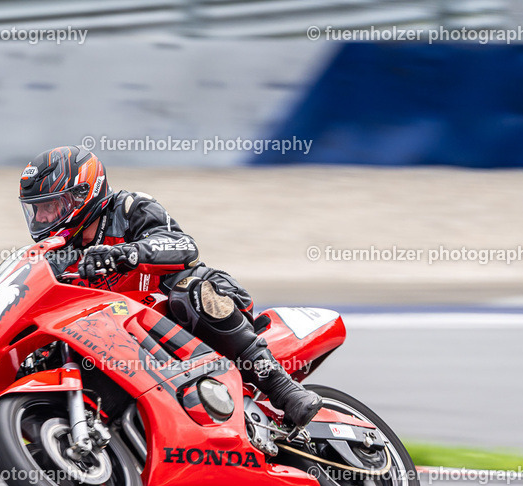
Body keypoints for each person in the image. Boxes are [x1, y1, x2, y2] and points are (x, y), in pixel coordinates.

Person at [18, 145, 322, 427]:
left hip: (199, 307)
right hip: (135, 339)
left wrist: (125, 253)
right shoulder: (57, 254)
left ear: (82, 194)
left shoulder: (129, 208)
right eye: (36, 209)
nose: (42, 217)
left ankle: (282, 388)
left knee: (188, 292)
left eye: (50, 206)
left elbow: (184, 247)